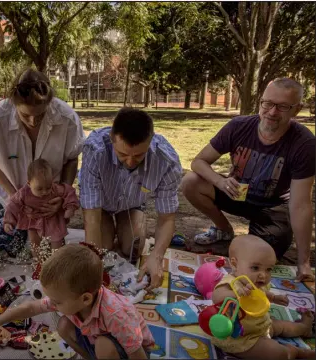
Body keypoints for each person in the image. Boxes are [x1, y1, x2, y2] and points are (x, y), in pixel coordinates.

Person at [181, 78, 315, 283]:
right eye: (267, 103)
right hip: (235, 192)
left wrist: (303, 261)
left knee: (255, 261)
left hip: (272, 208)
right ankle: (224, 230)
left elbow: (301, 205)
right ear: (261, 101)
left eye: (282, 107)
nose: (271, 112)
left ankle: (253, 239)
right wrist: (220, 181)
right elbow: (199, 162)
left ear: (297, 110)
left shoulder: (305, 144)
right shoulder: (239, 126)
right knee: (191, 182)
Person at [0, 244, 155, 359]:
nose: (53, 305)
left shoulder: (116, 314)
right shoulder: (73, 300)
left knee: (103, 344)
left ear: (85, 298)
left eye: (58, 302)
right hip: (96, 341)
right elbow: (31, 307)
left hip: (132, 352)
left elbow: (137, 354)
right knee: (63, 325)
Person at [0, 68, 85, 257]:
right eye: (25, 115)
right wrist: (15, 198)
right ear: (13, 104)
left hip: (48, 195)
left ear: (50, 103)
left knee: (53, 249)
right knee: (9, 251)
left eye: (41, 115)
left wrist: (61, 197)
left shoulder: (68, 118)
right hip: (10, 190)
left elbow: (71, 159)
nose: (33, 121)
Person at [79, 107, 182, 290]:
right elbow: (91, 215)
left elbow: (167, 218)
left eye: (139, 155)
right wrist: (93, 262)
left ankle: (123, 230)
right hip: (100, 208)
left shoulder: (167, 160)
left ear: (150, 142)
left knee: (133, 247)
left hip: (132, 206)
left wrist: (156, 257)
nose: (130, 162)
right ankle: (109, 235)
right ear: (112, 139)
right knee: (100, 247)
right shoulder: (94, 149)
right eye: (123, 154)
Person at [211, 234, 315, 359]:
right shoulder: (230, 283)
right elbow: (217, 297)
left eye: (269, 269)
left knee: (283, 326)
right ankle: (296, 352)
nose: (263, 275)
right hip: (240, 338)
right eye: (255, 267)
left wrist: (273, 297)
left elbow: (261, 294)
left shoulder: (256, 282)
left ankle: (303, 328)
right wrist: (235, 294)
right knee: (276, 353)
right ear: (234, 264)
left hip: (261, 325)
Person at [4, 158, 80, 257]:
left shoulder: (55, 188)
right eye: (39, 188)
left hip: (53, 220)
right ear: (29, 183)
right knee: (35, 244)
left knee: (57, 242)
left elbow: (68, 192)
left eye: (48, 187)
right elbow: (13, 205)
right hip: (33, 220)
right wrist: (8, 222)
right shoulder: (23, 193)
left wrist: (70, 207)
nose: (44, 192)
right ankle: (38, 262)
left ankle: (56, 262)